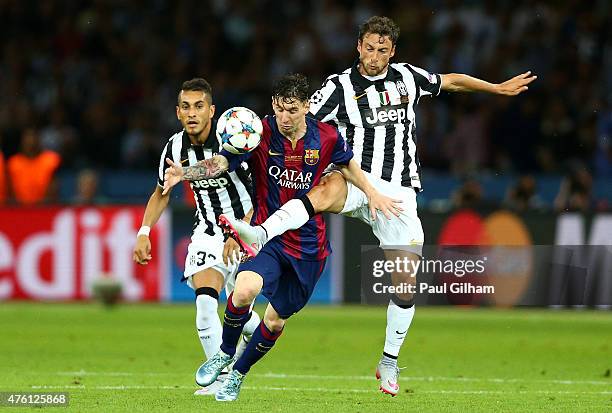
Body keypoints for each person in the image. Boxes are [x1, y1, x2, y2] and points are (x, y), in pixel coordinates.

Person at [218, 16, 537, 396]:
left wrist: (496, 88)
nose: (374, 57)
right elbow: (296, 116)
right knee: (325, 189)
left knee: (406, 281)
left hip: (397, 194)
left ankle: (389, 360)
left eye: (382, 50)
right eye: (369, 48)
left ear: (393, 51)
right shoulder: (337, 88)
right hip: (355, 178)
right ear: (358, 46)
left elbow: (449, 80)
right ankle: (262, 233)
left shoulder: (407, 78)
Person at [162, 73, 400, 401]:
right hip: (268, 238)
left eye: (291, 110)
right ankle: (223, 354)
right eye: (278, 110)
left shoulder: (327, 136)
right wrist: (185, 173)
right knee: (244, 289)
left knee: (273, 322)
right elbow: (220, 163)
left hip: (307, 248)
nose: (284, 118)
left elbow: (348, 166)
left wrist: (372, 193)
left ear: (306, 106)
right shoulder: (259, 132)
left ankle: (238, 375)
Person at [131, 78, 262, 396]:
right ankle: (220, 381)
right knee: (205, 303)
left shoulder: (234, 142)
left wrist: (240, 230)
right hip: (207, 232)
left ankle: (252, 328)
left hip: (247, 230)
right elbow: (162, 192)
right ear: (177, 112)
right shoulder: (175, 148)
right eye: (186, 107)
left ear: (212, 111)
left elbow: (262, 194)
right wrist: (144, 231)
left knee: (242, 312)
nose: (193, 113)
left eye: (199, 106)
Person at [7, 128, 61, 205]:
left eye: (34, 138)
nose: (31, 142)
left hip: (44, 208)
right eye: (28, 139)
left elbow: (54, 187)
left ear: (39, 141)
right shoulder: (13, 163)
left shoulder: (50, 160)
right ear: (22, 142)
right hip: (19, 208)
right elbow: (10, 190)